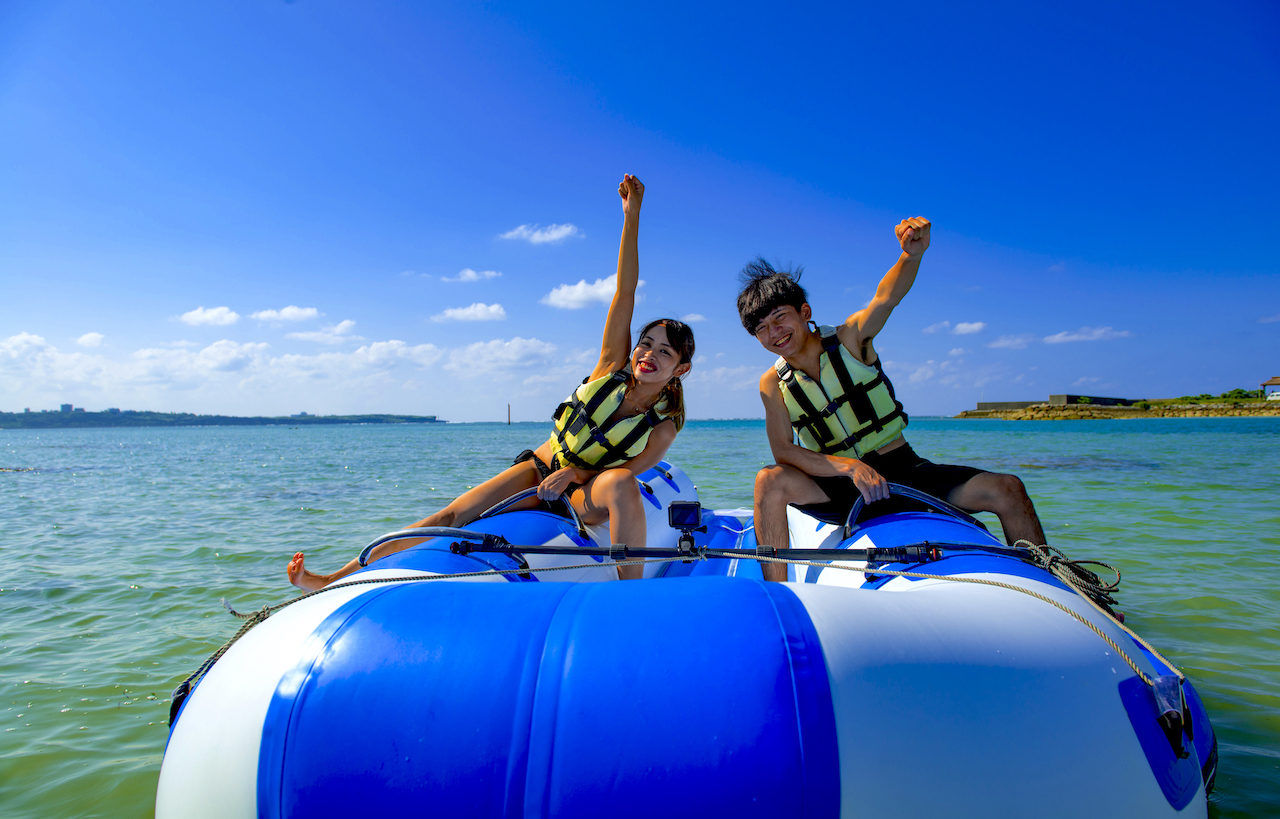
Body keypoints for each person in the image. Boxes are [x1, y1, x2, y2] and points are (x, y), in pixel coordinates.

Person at [287, 174, 695, 588]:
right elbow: (624, 292)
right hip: (538, 469)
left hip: (582, 495)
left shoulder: (661, 429)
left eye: (665, 352)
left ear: (680, 369)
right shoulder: (610, 366)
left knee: (622, 481)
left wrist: (574, 475)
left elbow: (625, 473)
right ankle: (332, 579)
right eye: (646, 343)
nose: (649, 354)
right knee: (449, 516)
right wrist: (632, 216)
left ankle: (632, 593)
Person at [738, 217, 1046, 582]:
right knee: (769, 480)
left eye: (780, 318)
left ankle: (1054, 583)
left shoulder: (851, 339)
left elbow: (886, 298)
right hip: (840, 491)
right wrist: (849, 467)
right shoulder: (772, 382)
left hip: (904, 472)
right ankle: (779, 594)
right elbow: (785, 453)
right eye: (761, 329)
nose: (774, 334)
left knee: (1007, 489)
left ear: (805, 313)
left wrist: (910, 256)